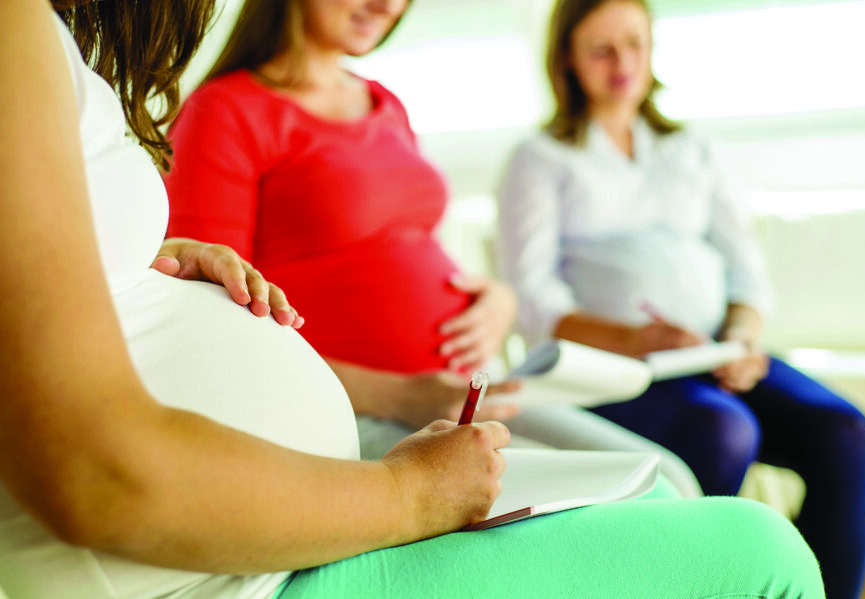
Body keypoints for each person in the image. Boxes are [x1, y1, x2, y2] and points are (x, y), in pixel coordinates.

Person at [162, 0, 704, 498]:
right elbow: (216, 329)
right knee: (646, 499)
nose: (386, 6)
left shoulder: (384, 103)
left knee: (669, 478)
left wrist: (499, 301)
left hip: (468, 394)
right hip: (358, 410)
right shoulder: (224, 111)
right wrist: (399, 395)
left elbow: (398, 250)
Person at [495, 0, 865, 597]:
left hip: (716, 353)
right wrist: (637, 339)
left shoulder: (695, 150)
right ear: (567, 59)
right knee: (724, 429)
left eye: (634, 43)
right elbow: (535, 300)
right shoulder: (541, 159)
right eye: (601, 49)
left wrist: (744, 342)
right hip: (620, 371)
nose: (622, 63)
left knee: (845, 431)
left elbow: (747, 273)